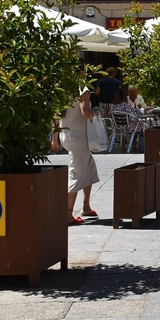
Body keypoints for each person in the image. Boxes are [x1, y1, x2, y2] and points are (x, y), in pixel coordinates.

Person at [51, 67, 100, 225]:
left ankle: (86, 207)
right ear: (80, 73)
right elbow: (86, 113)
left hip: (67, 136)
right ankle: (67, 213)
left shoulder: (63, 91)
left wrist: (55, 139)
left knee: (90, 168)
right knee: (77, 172)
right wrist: (98, 114)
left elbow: (56, 117)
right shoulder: (82, 89)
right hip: (79, 137)